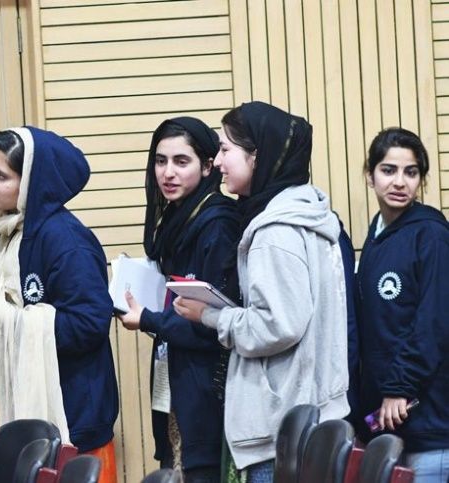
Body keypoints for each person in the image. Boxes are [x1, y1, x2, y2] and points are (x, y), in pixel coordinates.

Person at [173, 102, 350, 482]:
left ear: (258, 156)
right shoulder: (307, 217)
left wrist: (209, 315)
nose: (218, 162)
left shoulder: (274, 232)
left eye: (226, 149)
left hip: (281, 428)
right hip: (307, 419)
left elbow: (278, 326)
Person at [0, 127, 119, 481]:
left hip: (75, 424)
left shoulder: (66, 239)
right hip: (37, 425)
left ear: (33, 182)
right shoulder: (12, 230)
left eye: (2, 176)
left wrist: (1, 321)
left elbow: (91, 322)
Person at [117, 117, 239, 482]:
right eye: (160, 161)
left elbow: (215, 325)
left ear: (206, 166)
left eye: (181, 162)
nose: (167, 173)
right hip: (177, 383)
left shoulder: (217, 224)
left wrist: (151, 320)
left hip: (208, 393)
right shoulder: (177, 221)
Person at [356, 127, 448, 482]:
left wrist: (399, 386)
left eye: (411, 172)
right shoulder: (376, 238)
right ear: (370, 175)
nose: (400, 182)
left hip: (430, 430)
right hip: (388, 426)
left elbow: (434, 323)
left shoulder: (432, 236)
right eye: (388, 170)